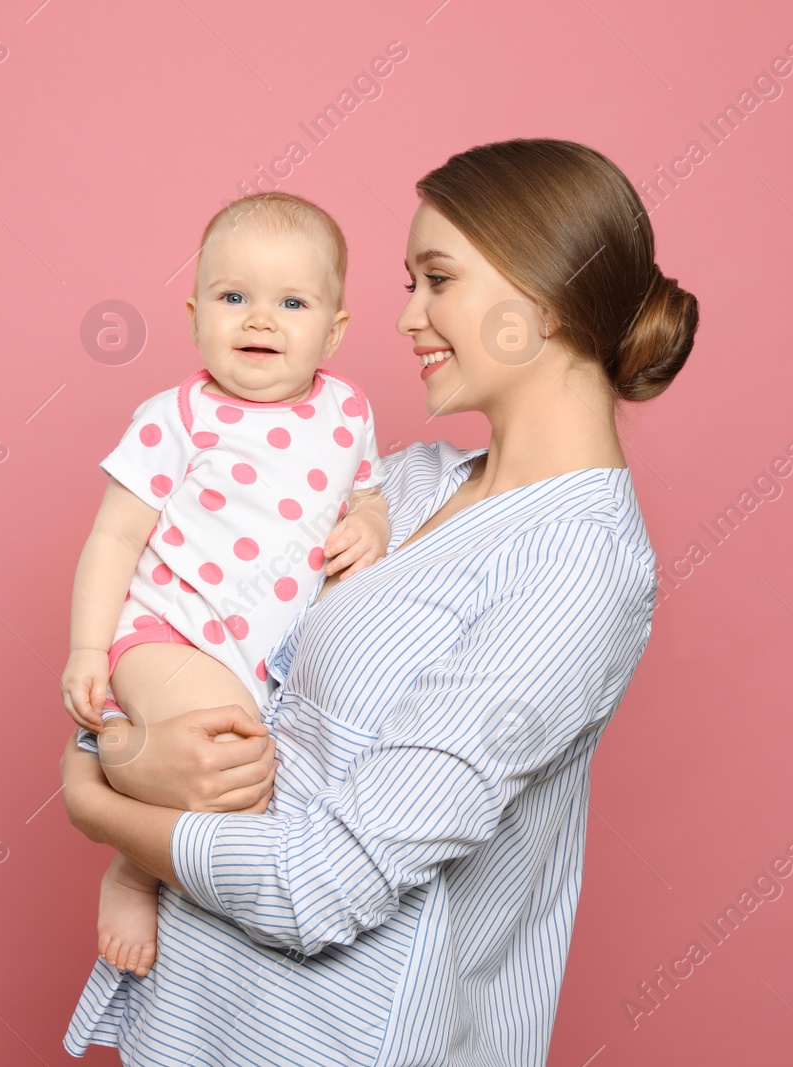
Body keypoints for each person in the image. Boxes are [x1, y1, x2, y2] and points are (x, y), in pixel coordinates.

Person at [59, 138, 699, 1066]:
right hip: (194, 1018)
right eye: (408, 282)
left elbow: (324, 886)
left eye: (436, 279)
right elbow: (182, 628)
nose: (406, 317)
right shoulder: (402, 487)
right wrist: (120, 744)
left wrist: (94, 801)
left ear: (546, 295)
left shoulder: (579, 566)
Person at [59, 192, 391, 979]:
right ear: (194, 314)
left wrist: (370, 523)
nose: (259, 320)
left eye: (291, 302)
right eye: (232, 297)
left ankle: (117, 784)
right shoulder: (176, 416)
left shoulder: (348, 411)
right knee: (232, 752)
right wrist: (87, 646)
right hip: (169, 631)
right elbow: (114, 534)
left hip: (258, 656)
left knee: (244, 771)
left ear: (334, 329)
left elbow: (369, 491)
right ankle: (132, 868)